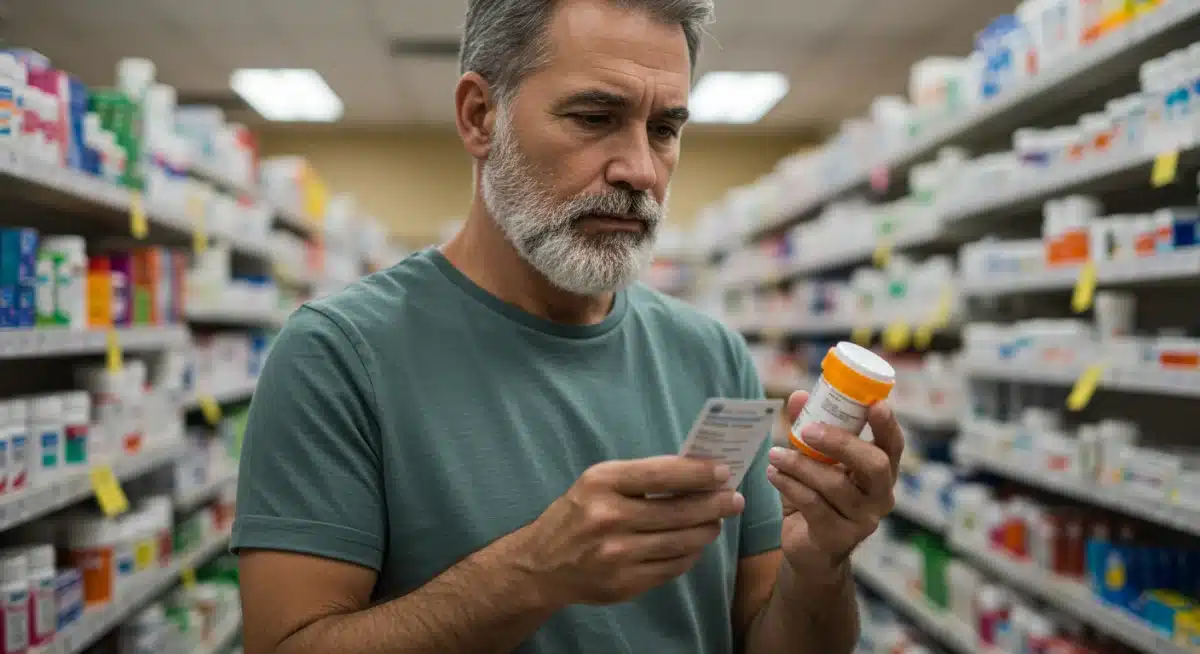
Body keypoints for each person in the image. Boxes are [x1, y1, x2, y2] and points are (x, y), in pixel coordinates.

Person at [232, 0, 905, 652]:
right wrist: (534, 573)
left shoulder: (713, 356)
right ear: (478, 116)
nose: (640, 169)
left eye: (665, 129)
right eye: (594, 117)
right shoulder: (338, 356)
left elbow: (764, 636)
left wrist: (819, 566)